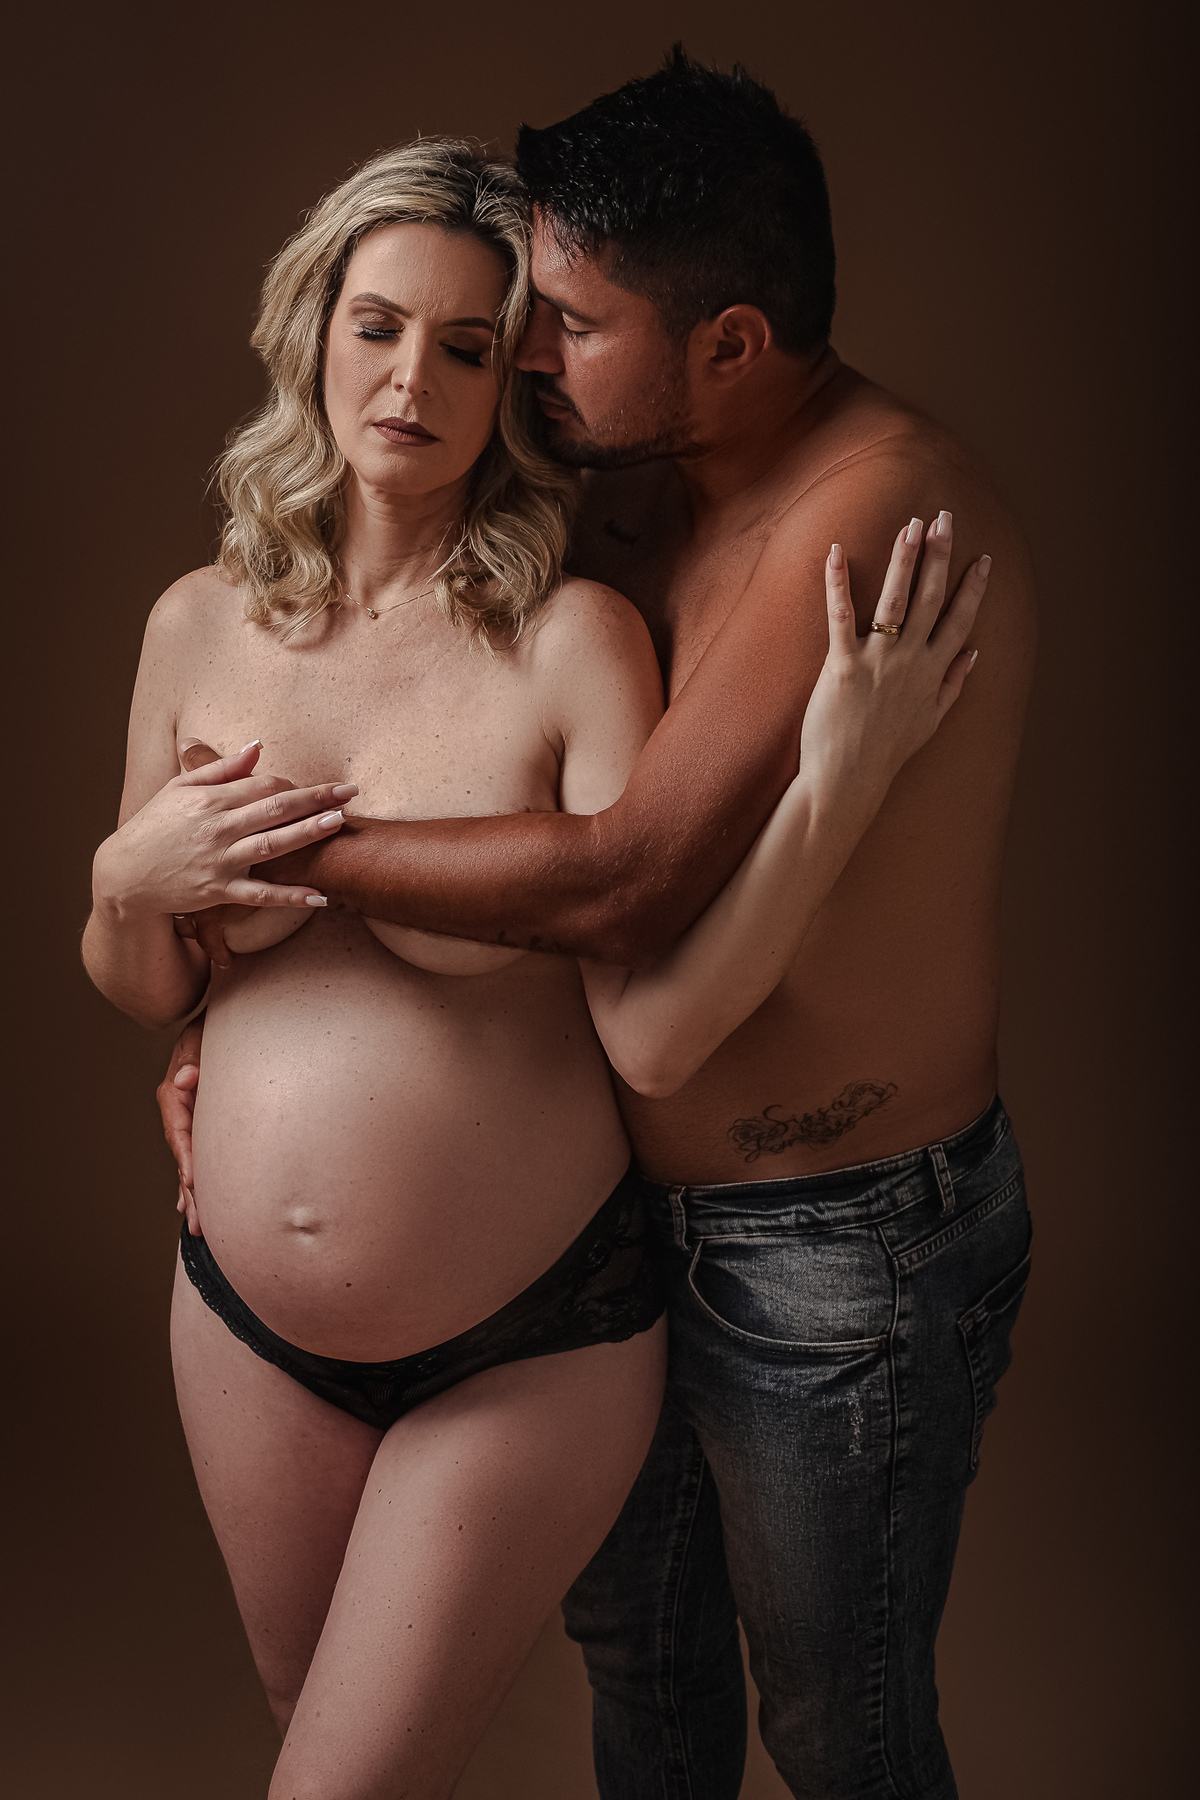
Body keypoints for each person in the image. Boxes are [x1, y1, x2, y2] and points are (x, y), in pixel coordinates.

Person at [84, 136, 979, 1800]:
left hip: (526, 1335)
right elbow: (150, 982)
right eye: (376, 326)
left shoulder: (574, 640)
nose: (409, 381)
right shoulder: (195, 624)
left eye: (469, 346)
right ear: (314, 328)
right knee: (315, 1728)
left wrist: (835, 788)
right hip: (242, 1324)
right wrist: (122, 883)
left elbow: (649, 1011)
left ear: (516, 387)